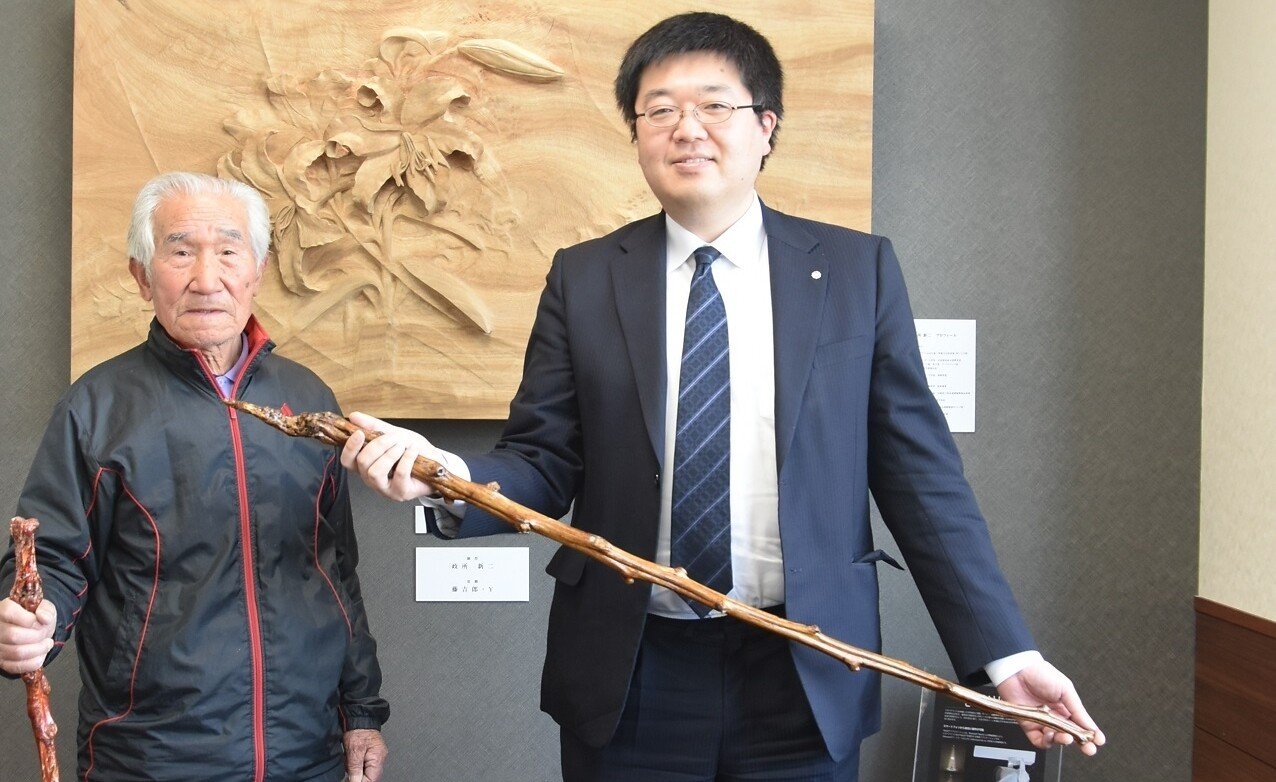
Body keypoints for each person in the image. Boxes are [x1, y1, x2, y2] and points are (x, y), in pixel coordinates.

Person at [341, 12, 1103, 781]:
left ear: (766, 127)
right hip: (631, 672)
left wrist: (1006, 655)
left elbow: (921, 480)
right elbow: (543, 460)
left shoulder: (855, 272)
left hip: (807, 668)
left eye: (715, 105)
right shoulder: (586, 277)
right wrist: (444, 477)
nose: (687, 128)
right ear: (636, 135)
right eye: (659, 110)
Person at [0, 172, 389, 782]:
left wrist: (361, 712)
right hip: (150, 757)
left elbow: (336, 572)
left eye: (228, 251)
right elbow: (53, 561)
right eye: (180, 252)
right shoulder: (97, 408)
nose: (206, 278)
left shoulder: (308, 401)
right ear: (142, 276)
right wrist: (25, 625)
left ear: (257, 270)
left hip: (306, 753)